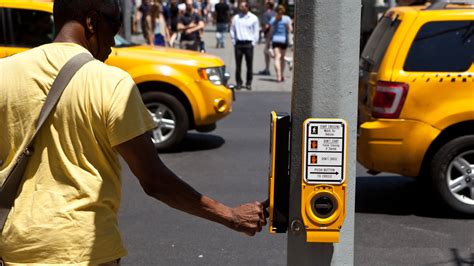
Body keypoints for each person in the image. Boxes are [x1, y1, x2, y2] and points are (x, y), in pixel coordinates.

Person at [0, 0, 267, 264]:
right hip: (83, 249)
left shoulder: (6, 72)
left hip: (16, 246)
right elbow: (154, 179)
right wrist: (230, 216)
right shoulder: (110, 82)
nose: (114, 43)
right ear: (92, 22)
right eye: (114, 28)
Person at [230, 1, 259, 90]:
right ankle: (239, 82)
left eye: (242, 6)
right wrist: (234, 41)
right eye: (240, 6)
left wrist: (253, 43)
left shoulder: (253, 18)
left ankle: (248, 82)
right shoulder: (236, 18)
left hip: (248, 44)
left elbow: (256, 31)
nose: (241, 8)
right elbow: (232, 30)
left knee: (249, 65)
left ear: (247, 7)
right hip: (238, 44)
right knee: (238, 65)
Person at [269, 5, 292, 82]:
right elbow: (290, 30)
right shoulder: (287, 18)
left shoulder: (273, 19)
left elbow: (271, 30)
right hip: (283, 40)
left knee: (277, 57)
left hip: (275, 40)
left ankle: (278, 76)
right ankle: (281, 75)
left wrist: (269, 41)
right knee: (282, 58)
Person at [258, 1, 275, 76]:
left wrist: (261, 31)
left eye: (265, 4)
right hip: (275, 34)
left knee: (267, 51)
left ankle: (267, 68)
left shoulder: (266, 14)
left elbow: (266, 26)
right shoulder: (275, 13)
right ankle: (267, 69)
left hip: (268, 35)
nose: (264, 5)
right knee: (267, 51)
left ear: (268, 5)